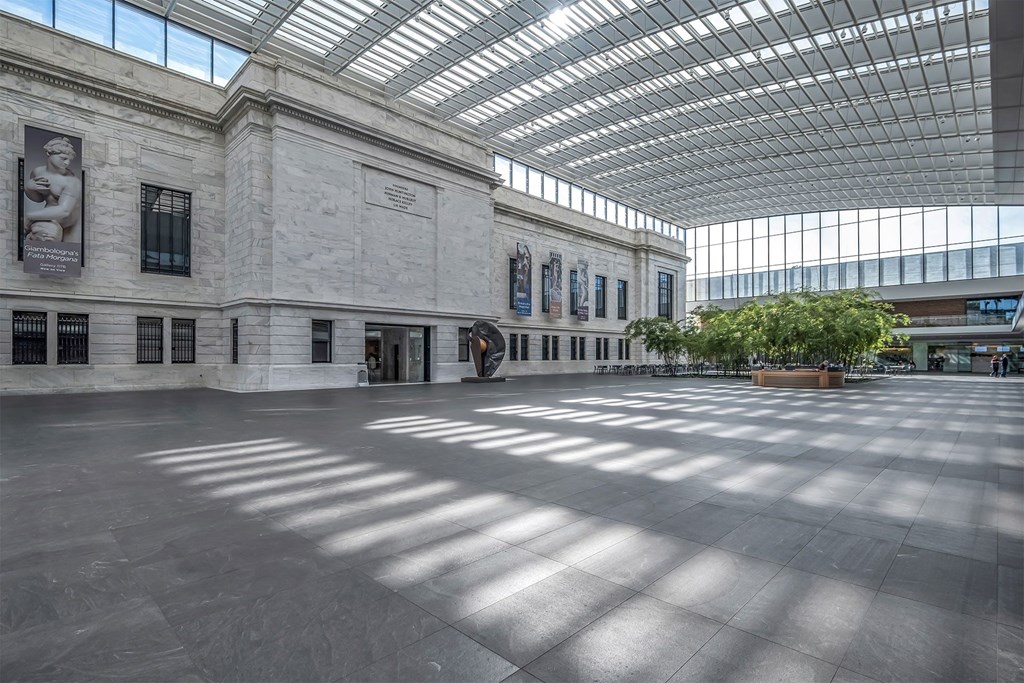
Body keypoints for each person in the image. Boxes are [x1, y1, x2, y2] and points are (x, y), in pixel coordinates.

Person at [23, 136, 82, 243]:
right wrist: (29, 188)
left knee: (69, 254)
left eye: (69, 160)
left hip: (71, 223)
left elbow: (64, 210)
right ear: (49, 154)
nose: (67, 163)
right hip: (51, 217)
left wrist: (29, 216)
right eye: (63, 158)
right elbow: (39, 198)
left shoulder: (72, 182)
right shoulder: (38, 172)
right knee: (44, 241)